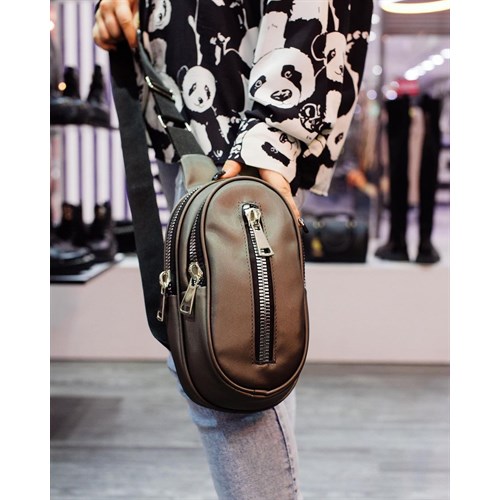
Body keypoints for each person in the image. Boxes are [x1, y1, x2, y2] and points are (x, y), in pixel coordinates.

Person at [94, 1, 373, 498]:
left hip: (251, 88)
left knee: (231, 356)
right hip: (175, 77)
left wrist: (274, 127)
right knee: (235, 344)